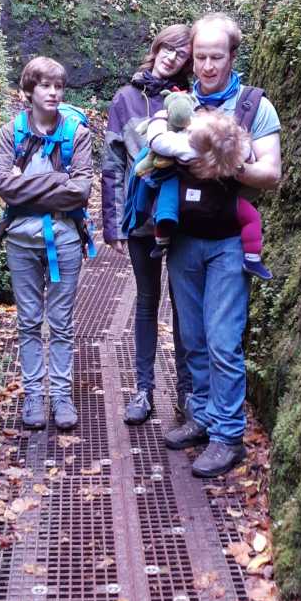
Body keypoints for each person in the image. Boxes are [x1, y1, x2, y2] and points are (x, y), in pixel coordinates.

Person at [158, 13, 282, 478]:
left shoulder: (254, 107)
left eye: (217, 56)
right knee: (192, 338)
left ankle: (228, 435)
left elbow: (271, 174)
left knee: (223, 341)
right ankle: (203, 417)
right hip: (187, 237)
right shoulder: (181, 104)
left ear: (233, 56)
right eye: (201, 56)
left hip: (230, 239)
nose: (208, 66)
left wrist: (224, 163)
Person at [0, 56, 93, 431]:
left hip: (65, 238)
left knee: (62, 322)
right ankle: (35, 394)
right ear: (30, 90)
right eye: (45, 86)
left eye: (58, 86)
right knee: (29, 320)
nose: (53, 93)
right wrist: (56, 181)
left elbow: (81, 190)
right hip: (20, 239)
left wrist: (29, 187)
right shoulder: (12, 132)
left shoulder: (76, 134)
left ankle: (62, 395)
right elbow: (4, 186)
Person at [101, 25, 192, 425]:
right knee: (146, 301)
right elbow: (112, 164)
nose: (172, 57)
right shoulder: (125, 99)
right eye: (169, 48)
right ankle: (143, 390)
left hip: (182, 217)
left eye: (181, 54)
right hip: (140, 218)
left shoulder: (188, 100)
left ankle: (187, 393)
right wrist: (113, 224)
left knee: (185, 306)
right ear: (156, 47)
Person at [141, 105, 273, 280]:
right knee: (251, 217)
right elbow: (250, 157)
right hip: (223, 203)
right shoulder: (234, 150)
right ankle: (252, 258)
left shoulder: (185, 147)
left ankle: (162, 240)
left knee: (165, 207)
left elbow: (156, 140)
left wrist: (159, 118)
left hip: (186, 200)